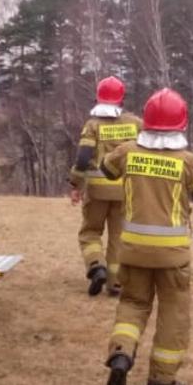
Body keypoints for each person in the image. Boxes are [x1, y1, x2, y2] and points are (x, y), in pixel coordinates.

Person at [98, 87, 193, 385]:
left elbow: (105, 170)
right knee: (173, 313)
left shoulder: (128, 152)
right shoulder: (186, 160)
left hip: (133, 250)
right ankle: (161, 380)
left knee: (132, 304)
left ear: (147, 121)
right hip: (171, 256)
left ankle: (122, 353)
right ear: (182, 122)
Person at [69, 76, 141, 296]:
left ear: (98, 97)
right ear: (121, 99)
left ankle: (95, 265)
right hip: (125, 190)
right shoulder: (136, 124)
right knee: (119, 237)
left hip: (97, 191)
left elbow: (83, 158)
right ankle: (115, 282)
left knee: (90, 232)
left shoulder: (93, 125)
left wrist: (75, 184)